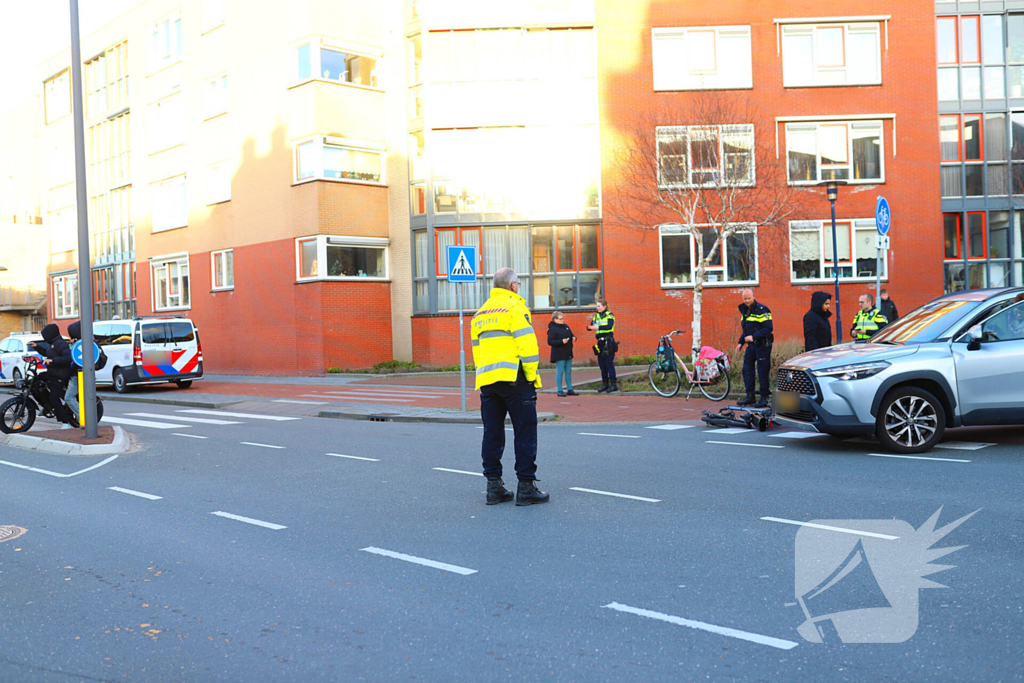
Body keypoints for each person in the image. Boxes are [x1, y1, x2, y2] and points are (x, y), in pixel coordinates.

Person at [471, 267, 549, 507]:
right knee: (525, 431)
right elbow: (528, 347)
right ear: (513, 285)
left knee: (492, 433)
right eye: (519, 284)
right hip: (515, 378)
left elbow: (477, 351)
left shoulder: (480, 314)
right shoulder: (515, 309)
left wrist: (484, 377)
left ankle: (493, 487)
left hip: (488, 381)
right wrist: (531, 376)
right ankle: (526, 487)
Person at [735, 288, 773, 408]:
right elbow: (746, 329)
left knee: (762, 372)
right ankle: (750, 396)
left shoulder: (763, 310)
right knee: (747, 370)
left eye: (749, 298)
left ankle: (764, 398)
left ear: (754, 296)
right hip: (751, 345)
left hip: (762, 345)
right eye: (745, 299)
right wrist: (741, 342)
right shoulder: (745, 311)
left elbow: (768, 328)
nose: (747, 301)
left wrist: (754, 336)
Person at [29, 324, 72, 424]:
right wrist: (37, 347)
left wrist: (52, 361)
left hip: (60, 375)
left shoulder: (61, 344)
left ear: (50, 334)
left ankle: (65, 421)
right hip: (52, 373)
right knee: (35, 382)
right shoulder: (52, 344)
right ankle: (46, 405)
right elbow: (47, 352)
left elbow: (68, 358)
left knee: (54, 398)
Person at [587, 300, 618, 393]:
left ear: (604, 306)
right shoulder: (596, 316)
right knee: (602, 365)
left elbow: (609, 326)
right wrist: (590, 327)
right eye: (597, 306)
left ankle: (613, 384)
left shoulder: (610, 315)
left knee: (609, 363)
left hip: (608, 342)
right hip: (600, 342)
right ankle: (605, 384)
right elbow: (589, 326)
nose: (597, 308)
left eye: (599, 306)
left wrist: (598, 327)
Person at [547, 311, 577, 397]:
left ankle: (570, 389)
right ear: (555, 319)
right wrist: (561, 341)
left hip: (568, 352)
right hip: (559, 354)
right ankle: (560, 390)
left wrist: (574, 337)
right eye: (560, 319)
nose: (562, 320)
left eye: (562, 318)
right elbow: (550, 341)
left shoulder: (566, 326)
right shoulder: (552, 329)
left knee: (568, 371)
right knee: (560, 371)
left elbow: (571, 335)